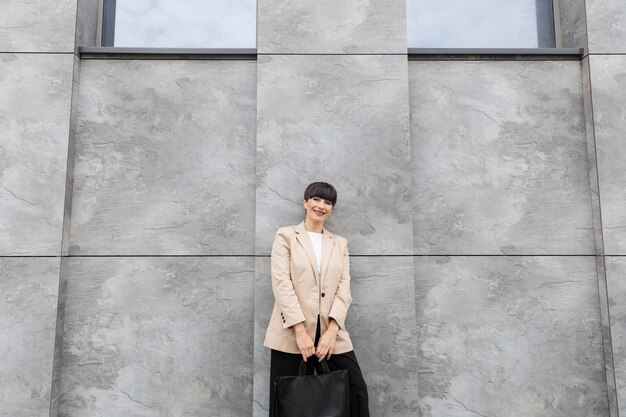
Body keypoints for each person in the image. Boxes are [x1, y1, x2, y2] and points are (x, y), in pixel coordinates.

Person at [264, 181, 370, 417]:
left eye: (328, 202)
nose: (321, 206)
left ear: (332, 208)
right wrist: (300, 331)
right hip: (292, 332)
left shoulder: (339, 243)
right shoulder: (286, 236)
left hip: (331, 333)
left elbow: (344, 287)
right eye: (316, 199)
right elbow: (282, 284)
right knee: (287, 401)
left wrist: (332, 331)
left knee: (357, 392)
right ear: (305, 202)